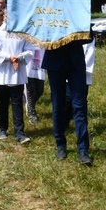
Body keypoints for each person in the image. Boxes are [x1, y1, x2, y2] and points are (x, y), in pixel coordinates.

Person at [43, 35, 94, 166]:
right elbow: (41, 35)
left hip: (75, 62)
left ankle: (83, 150)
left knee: (79, 105)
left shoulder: (79, 13)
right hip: (54, 61)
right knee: (58, 105)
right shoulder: (51, 14)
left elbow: (89, 36)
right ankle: (60, 144)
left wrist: (71, 38)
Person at [0, 19, 36, 144]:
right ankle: (2, 128)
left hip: (17, 72)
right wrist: (8, 58)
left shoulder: (23, 33)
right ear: (3, 17)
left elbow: (30, 50)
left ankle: (19, 132)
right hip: (2, 72)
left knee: (17, 102)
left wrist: (19, 57)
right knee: (3, 102)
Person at [25, 46, 46, 125]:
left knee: (40, 90)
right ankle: (32, 113)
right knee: (30, 90)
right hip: (28, 66)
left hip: (40, 64)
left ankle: (29, 104)